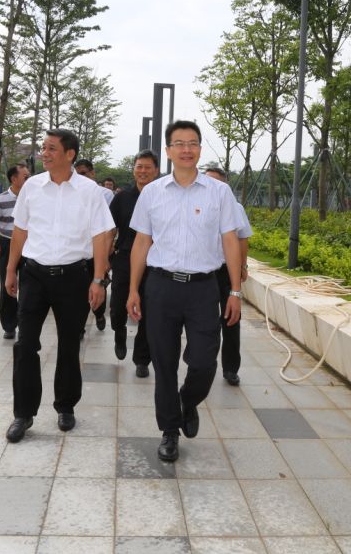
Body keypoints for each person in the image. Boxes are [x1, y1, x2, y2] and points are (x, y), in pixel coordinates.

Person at [127, 120, 243, 462]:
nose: (186, 149)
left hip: (203, 289)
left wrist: (234, 291)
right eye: (179, 143)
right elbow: (141, 243)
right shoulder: (152, 193)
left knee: (205, 360)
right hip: (160, 287)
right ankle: (169, 431)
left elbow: (230, 241)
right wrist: (133, 289)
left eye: (192, 143)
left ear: (200, 149)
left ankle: (188, 399)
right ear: (168, 151)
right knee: (163, 363)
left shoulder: (219, 193)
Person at [4, 129, 114, 443]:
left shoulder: (89, 190)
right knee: (26, 345)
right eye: (43, 148)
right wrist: (11, 271)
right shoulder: (32, 187)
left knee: (69, 343)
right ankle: (23, 414)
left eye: (51, 148)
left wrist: (98, 279)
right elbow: (20, 231)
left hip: (74, 276)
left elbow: (101, 235)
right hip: (34, 275)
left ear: (70, 154)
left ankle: (65, 406)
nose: (44, 153)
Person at [109, 150, 160, 377]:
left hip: (155, 262)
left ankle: (142, 359)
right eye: (139, 167)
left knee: (150, 312)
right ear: (134, 170)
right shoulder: (121, 198)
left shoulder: (163, 196)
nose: (143, 171)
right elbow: (109, 229)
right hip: (124, 259)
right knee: (118, 306)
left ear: (156, 170)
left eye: (148, 167)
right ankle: (118, 331)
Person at [204, 167, 252, 386]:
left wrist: (241, 266)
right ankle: (203, 363)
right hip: (203, 271)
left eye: (215, 181)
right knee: (203, 320)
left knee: (231, 318)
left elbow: (242, 239)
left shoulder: (235, 207)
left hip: (225, 270)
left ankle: (231, 367)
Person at [0, 163, 30, 340]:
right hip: (7, 245)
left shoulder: (32, 197)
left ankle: (25, 323)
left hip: (28, 247)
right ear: (14, 179)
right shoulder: (1, 199)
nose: (29, 179)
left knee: (28, 287)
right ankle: (9, 326)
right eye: (26, 176)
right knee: (8, 285)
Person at [74, 158, 115, 332]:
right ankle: (80, 325)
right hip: (78, 252)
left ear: (92, 173)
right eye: (77, 174)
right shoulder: (72, 192)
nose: (80, 177)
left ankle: (98, 313)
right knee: (79, 290)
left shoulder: (106, 194)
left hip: (99, 250)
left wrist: (106, 253)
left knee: (99, 283)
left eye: (83, 173)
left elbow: (111, 226)